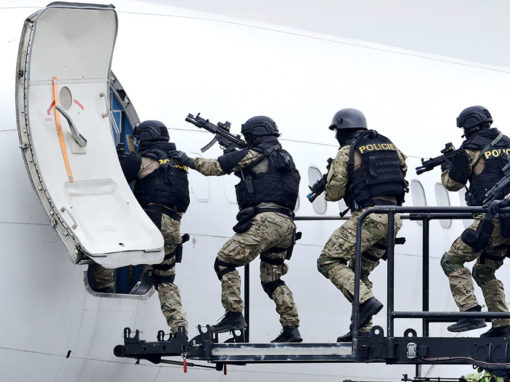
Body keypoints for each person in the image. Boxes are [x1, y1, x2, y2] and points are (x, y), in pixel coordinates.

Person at [170, 116, 302, 343]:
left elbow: (215, 167)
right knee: (272, 279)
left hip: (265, 222)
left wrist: (187, 160)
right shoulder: (284, 158)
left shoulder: (253, 154)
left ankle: (234, 314)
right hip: (286, 226)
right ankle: (291, 328)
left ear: (254, 136)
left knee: (225, 262)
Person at [316, 108, 408, 342]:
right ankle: (362, 329)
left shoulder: (348, 151)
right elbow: (402, 171)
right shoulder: (390, 146)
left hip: (369, 217)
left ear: (341, 129)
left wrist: (329, 183)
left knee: (328, 260)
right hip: (394, 217)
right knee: (360, 270)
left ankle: (365, 301)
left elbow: (333, 194)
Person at [440, 105, 510, 337]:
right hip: (508, 224)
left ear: (469, 126)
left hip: (492, 220)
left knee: (451, 260)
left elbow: (453, 184)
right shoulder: (508, 144)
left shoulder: (470, 149)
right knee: (484, 271)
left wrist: (447, 166)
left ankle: (470, 313)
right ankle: (502, 325)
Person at [119, 120, 190, 336]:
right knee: (165, 278)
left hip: (153, 221)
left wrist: (122, 156)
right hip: (173, 226)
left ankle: (103, 284)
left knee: (107, 244)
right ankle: (179, 327)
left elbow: (117, 175)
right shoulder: (180, 163)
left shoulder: (146, 160)